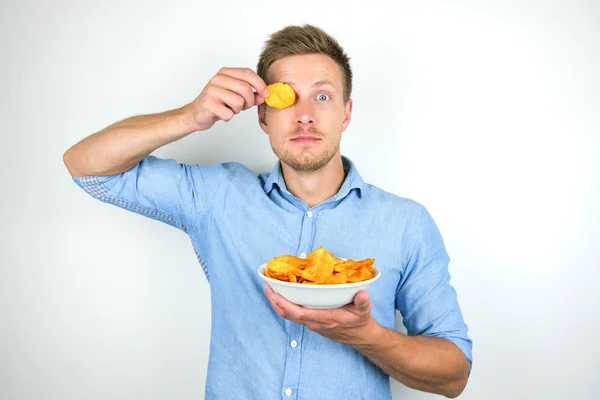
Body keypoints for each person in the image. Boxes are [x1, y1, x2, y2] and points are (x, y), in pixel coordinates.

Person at [63, 24, 472, 399]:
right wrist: (191, 116)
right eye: (288, 97)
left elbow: (454, 374)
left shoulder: (405, 223)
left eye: (323, 96)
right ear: (263, 114)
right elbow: (85, 165)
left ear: (346, 114)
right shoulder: (217, 197)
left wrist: (367, 336)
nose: (305, 115)